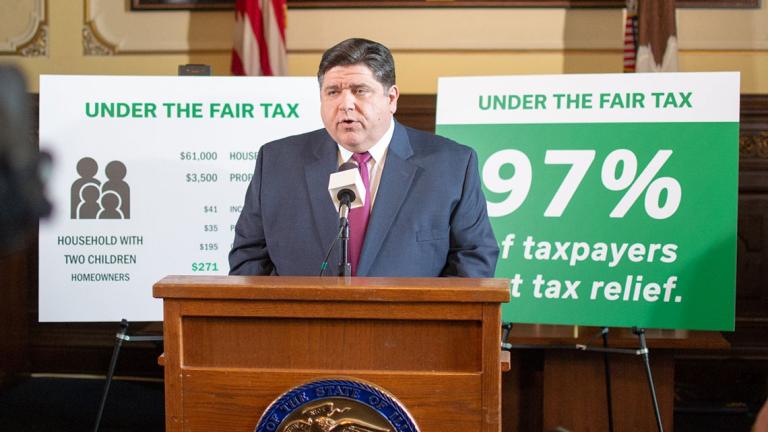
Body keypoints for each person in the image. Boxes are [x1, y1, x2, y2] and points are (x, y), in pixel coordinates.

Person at [229, 38, 498, 277]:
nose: (345, 104)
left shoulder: (451, 165)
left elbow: (474, 259)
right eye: (333, 92)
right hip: (303, 331)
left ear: (391, 99)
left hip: (410, 331)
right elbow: (249, 258)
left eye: (360, 90)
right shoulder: (277, 162)